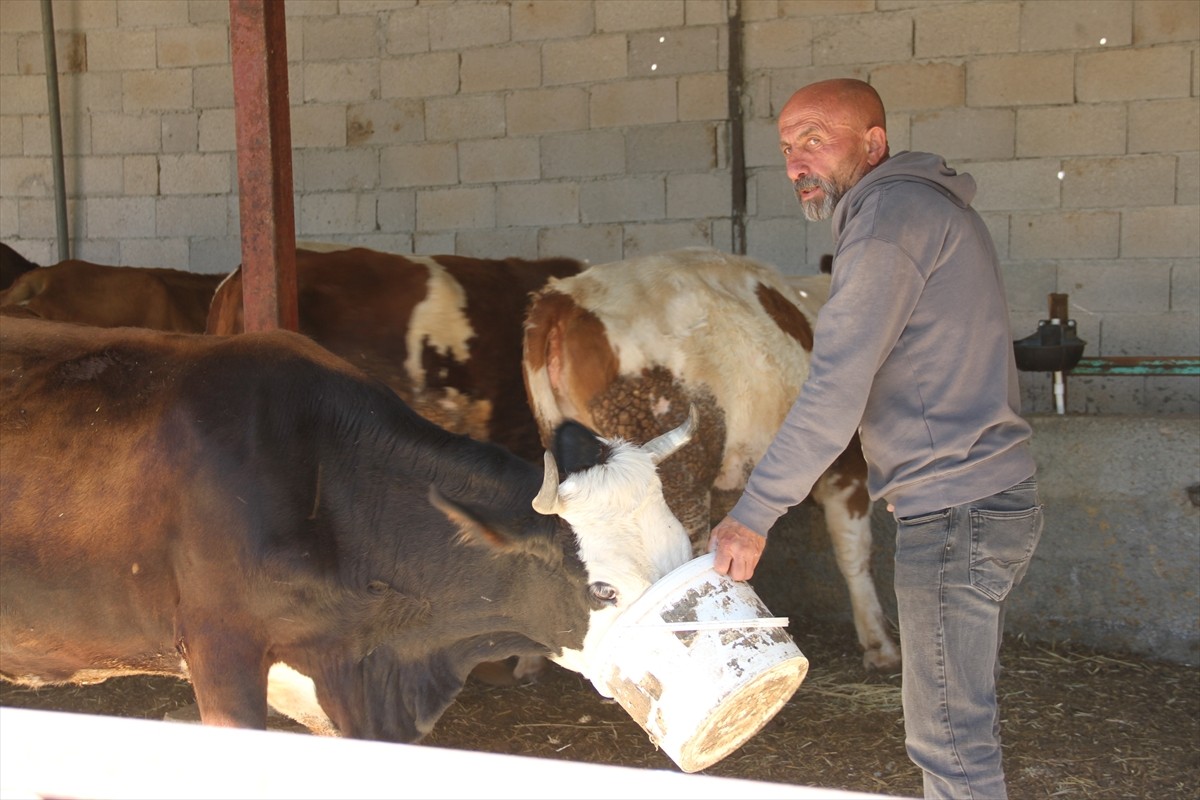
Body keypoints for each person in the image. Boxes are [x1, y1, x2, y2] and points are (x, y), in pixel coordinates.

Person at [709, 78, 1044, 800]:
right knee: (955, 729)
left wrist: (754, 511)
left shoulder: (890, 219)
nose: (797, 161)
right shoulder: (912, 208)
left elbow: (835, 386)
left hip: (958, 510)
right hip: (974, 500)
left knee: (949, 740)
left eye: (815, 140)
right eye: (787, 147)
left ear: (873, 143)